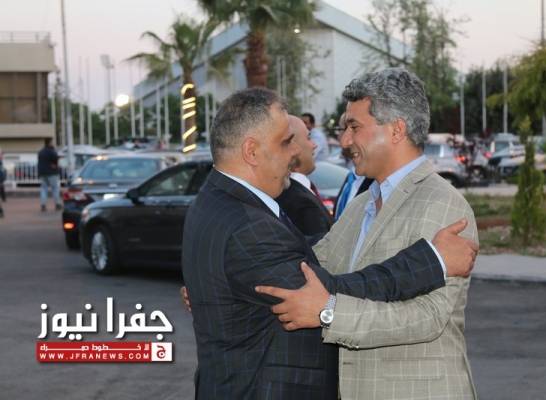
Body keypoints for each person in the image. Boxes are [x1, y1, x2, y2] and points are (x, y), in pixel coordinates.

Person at [181, 87, 477, 399]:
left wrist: (222, 285)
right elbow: (321, 286)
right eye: (285, 142)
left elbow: (429, 316)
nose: (344, 141)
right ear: (251, 151)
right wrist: (432, 260)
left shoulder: (442, 203)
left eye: (354, 127)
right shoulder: (252, 223)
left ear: (396, 130)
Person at [276, 115, 332, 240]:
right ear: (292, 146)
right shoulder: (298, 202)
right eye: (308, 138)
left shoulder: (294, 192)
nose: (314, 145)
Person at [37, 138, 62, 212]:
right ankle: (57, 204)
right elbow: (55, 159)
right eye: (52, 142)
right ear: (49, 143)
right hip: (52, 173)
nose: (53, 143)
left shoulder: (41, 152)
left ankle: (43, 205)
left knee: (43, 189)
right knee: (55, 188)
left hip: (42, 173)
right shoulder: (52, 151)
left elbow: (40, 162)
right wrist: (56, 164)